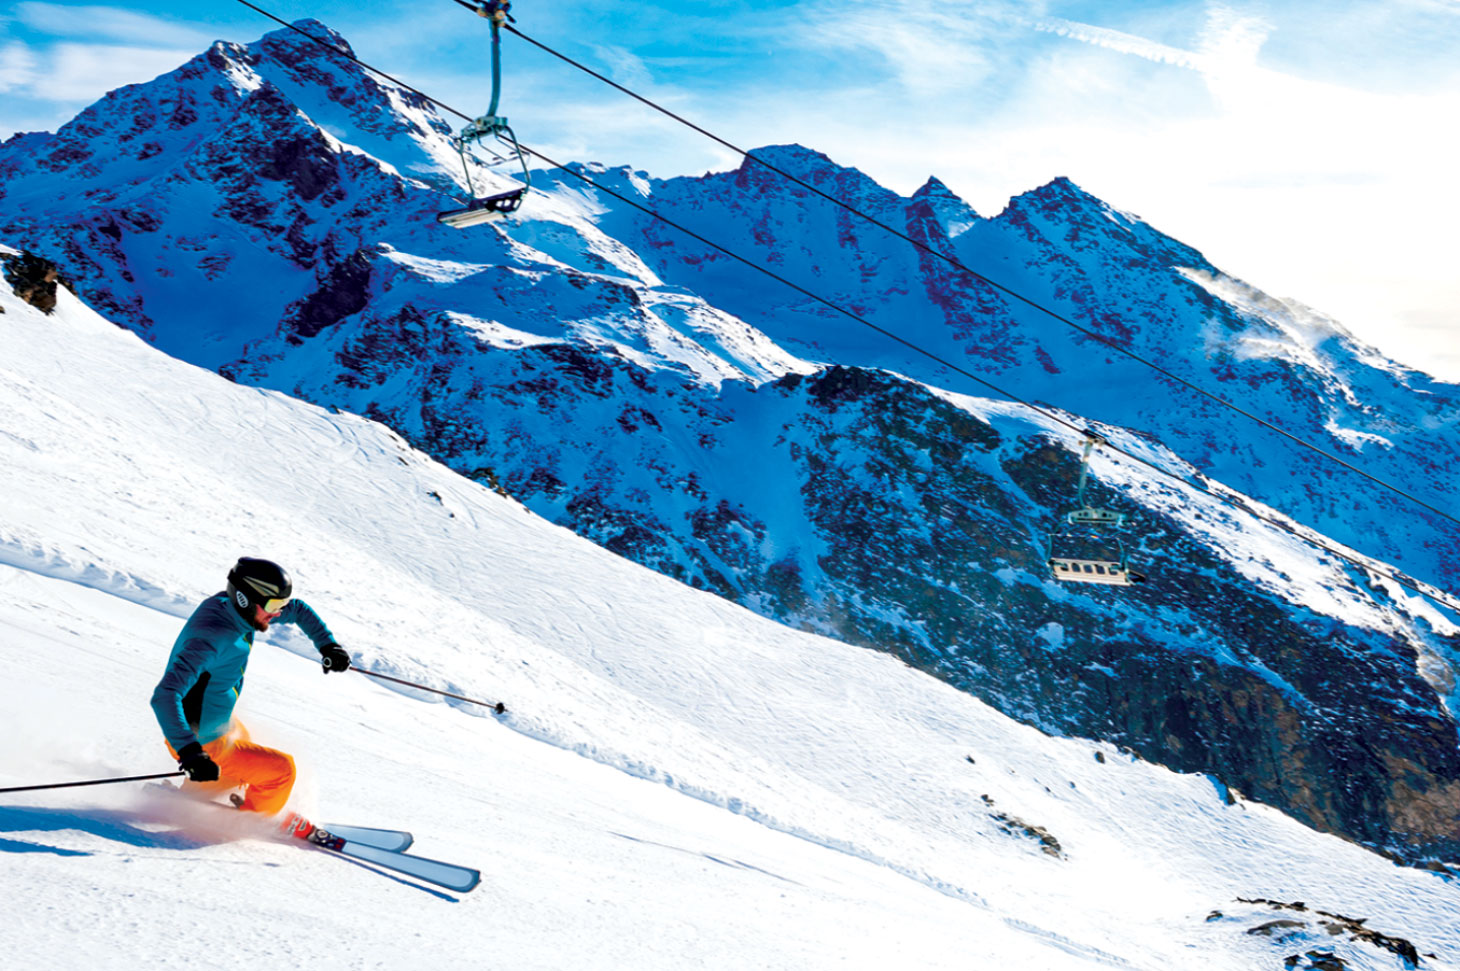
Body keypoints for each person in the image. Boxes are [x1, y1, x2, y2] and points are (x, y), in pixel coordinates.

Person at [150, 557, 351, 814]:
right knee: (282, 770)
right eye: (274, 605)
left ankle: (190, 798)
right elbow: (165, 695)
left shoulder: (236, 611)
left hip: (217, 725)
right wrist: (190, 751)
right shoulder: (212, 638)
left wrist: (328, 645)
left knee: (242, 739)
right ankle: (256, 820)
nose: (278, 612)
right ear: (246, 598)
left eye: (281, 604)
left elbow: (298, 610)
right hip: (203, 742)